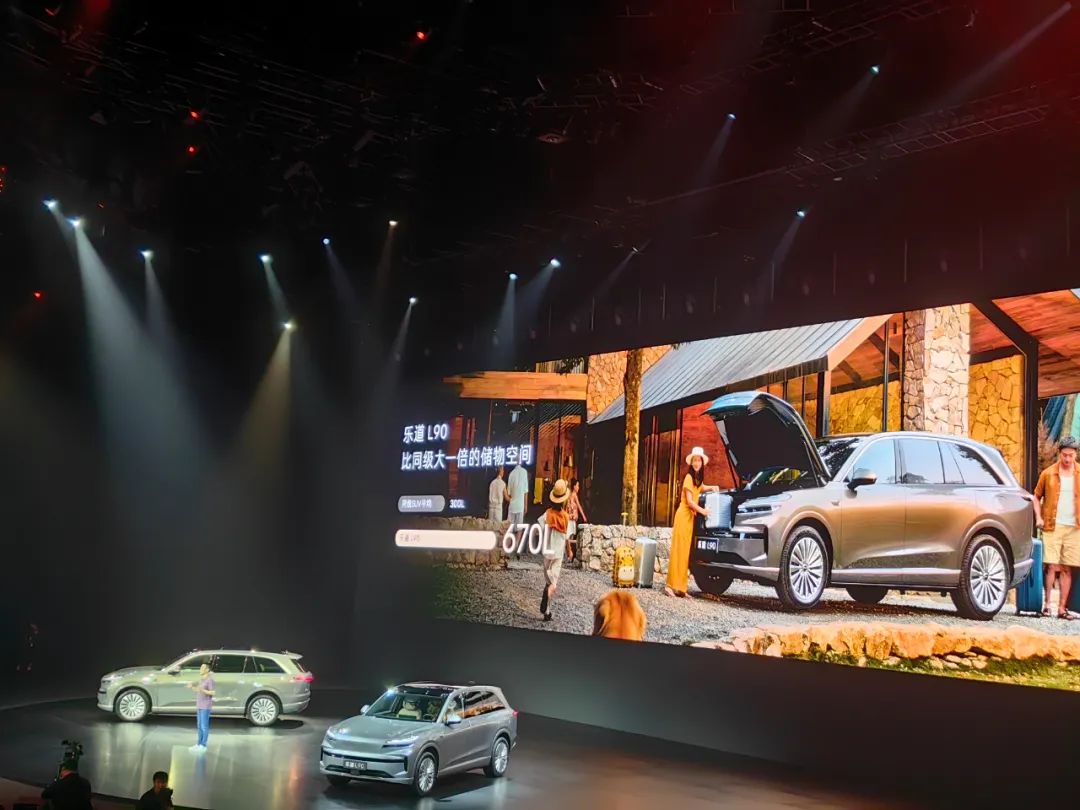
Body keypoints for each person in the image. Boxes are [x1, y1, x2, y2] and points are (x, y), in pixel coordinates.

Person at [1034, 436, 1080, 619]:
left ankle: (1062, 608)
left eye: (1071, 455)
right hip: (1052, 525)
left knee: (1067, 568)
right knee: (1052, 566)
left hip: (1074, 527)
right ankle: (1047, 606)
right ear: (1059, 453)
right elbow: (1035, 497)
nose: (1067, 459)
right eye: (1064, 455)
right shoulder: (1048, 473)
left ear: (1075, 455)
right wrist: (1038, 517)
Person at [665, 447, 720, 598]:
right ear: (691, 462)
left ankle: (681, 587)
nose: (697, 463)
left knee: (685, 553)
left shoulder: (697, 478)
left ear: (702, 462)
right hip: (683, 516)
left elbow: (701, 487)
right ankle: (670, 585)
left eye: (699, 460)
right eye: (695, 460)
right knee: (678, 550)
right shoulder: (689, 477)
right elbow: (689, 501)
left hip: (690, 519)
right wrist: (703, 511)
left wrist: (712, 487)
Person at [539, 479, 572, 621]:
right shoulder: (565, 517)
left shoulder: (547, 514)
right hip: (558, 554)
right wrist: (569, 551)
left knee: (548, 581)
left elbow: (540, 528)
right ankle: (546, 602)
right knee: (553, 584)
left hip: (547, 552)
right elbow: (566, 537)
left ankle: (547, 612)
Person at [187, 662, 216, 751]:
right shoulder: (201, 680)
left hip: (205, 706)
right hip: (199, 705)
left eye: (202, 668)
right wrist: (192, 687)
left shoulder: (210, 680)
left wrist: (203, 690)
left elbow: (213, 692)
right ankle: (199, 743)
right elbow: (199, 690)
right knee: (199, 726)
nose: (200, 669)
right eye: (200, 668)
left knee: (204, 726)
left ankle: (203, 745)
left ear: (207, 670)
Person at [566, 478, 588, 565]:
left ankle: (569, 555)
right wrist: (584, 516)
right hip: (570, 519)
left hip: (572, 519)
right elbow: (579, 506)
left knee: (570, 537)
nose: (578, 487)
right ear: (574, 486)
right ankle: (570, 554)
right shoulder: (573, 495)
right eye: (578, 485)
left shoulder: (570, 495)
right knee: (569, 537)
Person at [506, 461, 529, 529]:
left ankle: (509, 536)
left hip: (512, 506)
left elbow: (509, 493)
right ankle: (518, 537)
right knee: (519, 528)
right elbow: (525, 491)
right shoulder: (524, 472)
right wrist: (525, 506)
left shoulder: (511, 474)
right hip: (520, 505)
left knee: (509, 528)